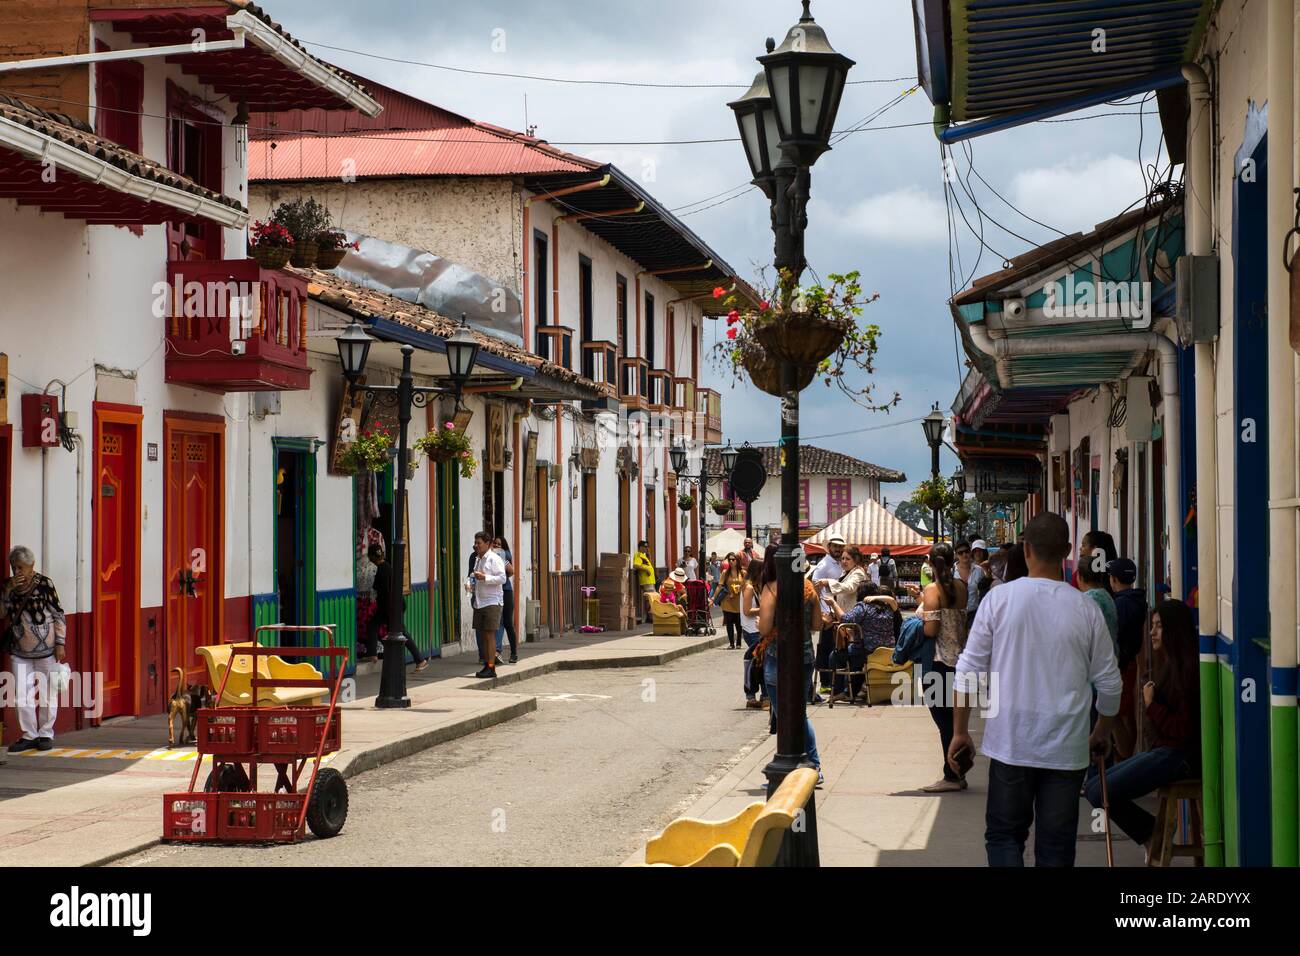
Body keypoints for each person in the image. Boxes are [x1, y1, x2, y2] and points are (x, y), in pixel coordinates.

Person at [950, 514, 1122, 867]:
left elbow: (967, 671)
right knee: (1056, 850)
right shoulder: (1086, 609)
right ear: (1068, 552)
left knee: (1004, 837)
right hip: (1066, 749)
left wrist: (959, 733)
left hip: (1010, 743)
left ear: (1025, 548)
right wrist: (1101, 732)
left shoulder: (998, 601)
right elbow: (1110, 683)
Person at [1084, 599, 1200, 854]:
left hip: (1178, 757)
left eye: (1159, 626)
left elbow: (1181, 729)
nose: (1152, 632)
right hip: (1165, 751)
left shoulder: (1188, 671)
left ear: (1174, 630)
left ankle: (1151, 832)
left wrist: (1151, 706)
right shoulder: (1170, 666)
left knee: (1099, 791)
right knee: (1093, 787)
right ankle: (1152, 831)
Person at [756, 548, 823, 784]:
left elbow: (764, 629)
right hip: (805, 657)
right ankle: (813, 766)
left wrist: (760, 623)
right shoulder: (807, 587)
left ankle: (798, 766)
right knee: (800, 713)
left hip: (778, 657)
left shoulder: (772, 588)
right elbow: (817, 624)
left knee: (786, 715)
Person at [912, 543, 968, 793]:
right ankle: (960, 770)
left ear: (930, 562)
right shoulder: (961, 588)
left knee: (944, 722)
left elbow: (931, 630)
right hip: (961, 661)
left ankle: (951, 776)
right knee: (956, 722)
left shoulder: (932, 590)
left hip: (937, 663)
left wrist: (919, 619)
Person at [2, 546, 67, 752]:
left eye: (21, 567)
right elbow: (2, 613)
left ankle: (46, 733)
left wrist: (60, 643)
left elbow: (58, 614)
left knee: (49, 693)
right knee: (21, 693)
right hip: (19, 649)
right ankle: (29, 734)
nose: (17, 572)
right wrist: (7, 591)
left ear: (32, 566)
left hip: (47, 649)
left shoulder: (45, 584)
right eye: (14, 568)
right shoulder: (8, 587)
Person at [825, 582, 898, 701]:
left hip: (866, 650)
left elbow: (845, 619)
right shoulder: (888, 607)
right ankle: (850, 691)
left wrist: (833, 603)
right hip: (886, 650)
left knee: (835, 656)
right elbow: (893, 601)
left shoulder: (862, 607)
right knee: (855, 657)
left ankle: (838, 691)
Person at [362, 544, 429, 673]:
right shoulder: (387, 567)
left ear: (371, 557)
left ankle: (420, 659)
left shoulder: (382, 570)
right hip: (393, 606)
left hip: (389, 607)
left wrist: (388, 611)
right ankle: (373, 654)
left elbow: (383, 591)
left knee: (399, 631)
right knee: (377, 626)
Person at [1107, 558, 1147, 760]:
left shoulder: (1121, 605)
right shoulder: (1136, 600)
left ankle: (1124, 756)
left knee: (1116, 713)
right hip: (1129, 662)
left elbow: (1117, 635)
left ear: (1113, 579)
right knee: (1125, 712)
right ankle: (1125, 755)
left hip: (1121, 665)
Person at [467, 531, 507, 679]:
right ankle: (486, 663)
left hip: (492, 601)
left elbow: (502, 578)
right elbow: (474, 576)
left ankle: (491, 667)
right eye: (475, 543)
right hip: (480, 601)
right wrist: (471, 583)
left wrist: (485, 577)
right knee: (483, 635)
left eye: (479, 543)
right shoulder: (478, 559)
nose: (476, 546)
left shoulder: (494, 559)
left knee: (490, 635)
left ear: (488, 544)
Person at [811, 535, 847, 698]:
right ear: (829, 547)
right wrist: (821, 611)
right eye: (835, 547)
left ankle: (834, 680)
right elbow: (815, 589)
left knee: (835, 646)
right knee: (826, 647)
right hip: (827, 612)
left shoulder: (840, 563)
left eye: (840, 547)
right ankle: (825, 682)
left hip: (837, 610)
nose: (838, 549)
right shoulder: (823, 565)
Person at [1076, 537, 1118, 657]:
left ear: (1080, 577)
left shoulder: (1087, 601)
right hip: (1111, 655)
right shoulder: (1106, 595)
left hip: (1097, 658)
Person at [739, 557, 765, 709]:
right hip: (752, 629)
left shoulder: (755, 586)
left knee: (759, 664)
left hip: (756, 628)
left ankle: (757, 695)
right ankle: (756, 695)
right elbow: (747, 611)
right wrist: (766, 609)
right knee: (759, 664)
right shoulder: (748, 588)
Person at [493, 536, 519, 664]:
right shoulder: (490, 555)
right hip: (495, 593)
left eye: (500, 544)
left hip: (506, 591)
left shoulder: (503, 555)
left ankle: (514, 652)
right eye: (495, 543)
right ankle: (496, 651)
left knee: (508, 622)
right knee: (498, 622)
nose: (497, 545)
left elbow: (511, 571)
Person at [718, 557, 745, 649]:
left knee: (738, 623)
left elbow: (748, 584)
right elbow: (720, 585)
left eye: (733, 559)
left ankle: (738, 642)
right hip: (727, 600)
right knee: (729, 623)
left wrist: (740, 589)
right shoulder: (725, 572)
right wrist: (713, 599)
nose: (731, 561)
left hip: (739, 601)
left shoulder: (743, 573)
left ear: (737, 561)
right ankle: (731, 643)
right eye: (729, 560)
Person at [954, 540, 985, 616]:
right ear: (956, 555)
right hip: (956, 614)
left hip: (974, 613)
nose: (964, 554)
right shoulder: (952, 571)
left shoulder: (979, 570)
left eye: (966, 551)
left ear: (970, 552)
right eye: (960, 553)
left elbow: (983, 592)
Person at [633, 540, 656, 624]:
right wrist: (646, 569)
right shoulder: (638, 555)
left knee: (652, 599)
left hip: (650, 580)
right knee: (649, 599)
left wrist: (649, 554)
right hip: (646, 580)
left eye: (647, 547)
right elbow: (635, 565)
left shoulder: (644, 556)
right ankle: (649, 617)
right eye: (645, 547)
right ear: (640, 547)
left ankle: (650, 616)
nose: (646, 548)